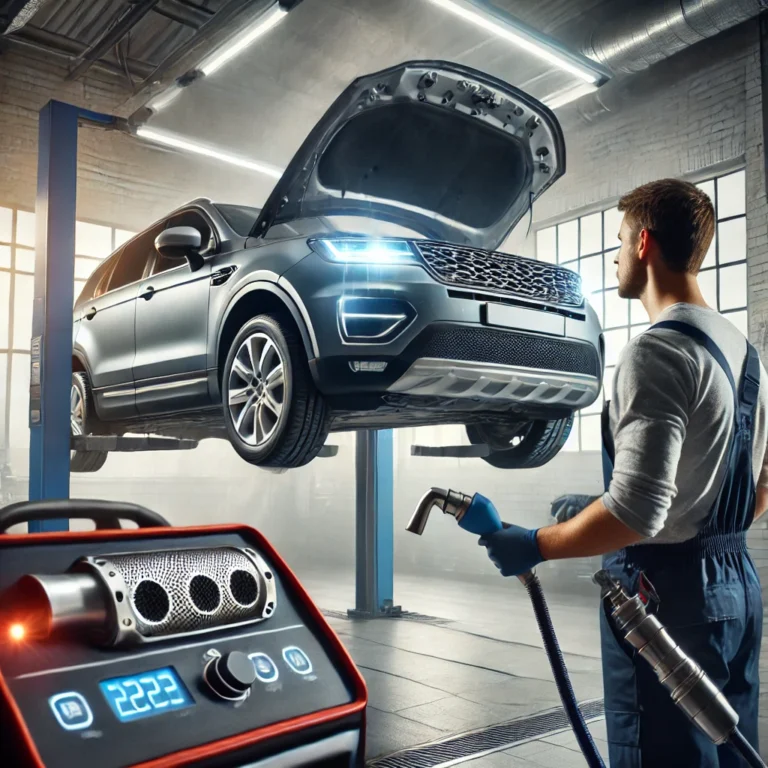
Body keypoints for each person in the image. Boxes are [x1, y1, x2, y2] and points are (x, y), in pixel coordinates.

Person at [475, 178, 768, 767]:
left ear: (643, 245)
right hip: (735, 588)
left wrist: (534, 545)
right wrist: (606, 502)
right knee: (730, 755)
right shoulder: (742, 351)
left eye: (618, 240)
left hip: (664, 597)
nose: (612, 257)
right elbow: (753, 485)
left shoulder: (656, 354)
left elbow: (638, 514)